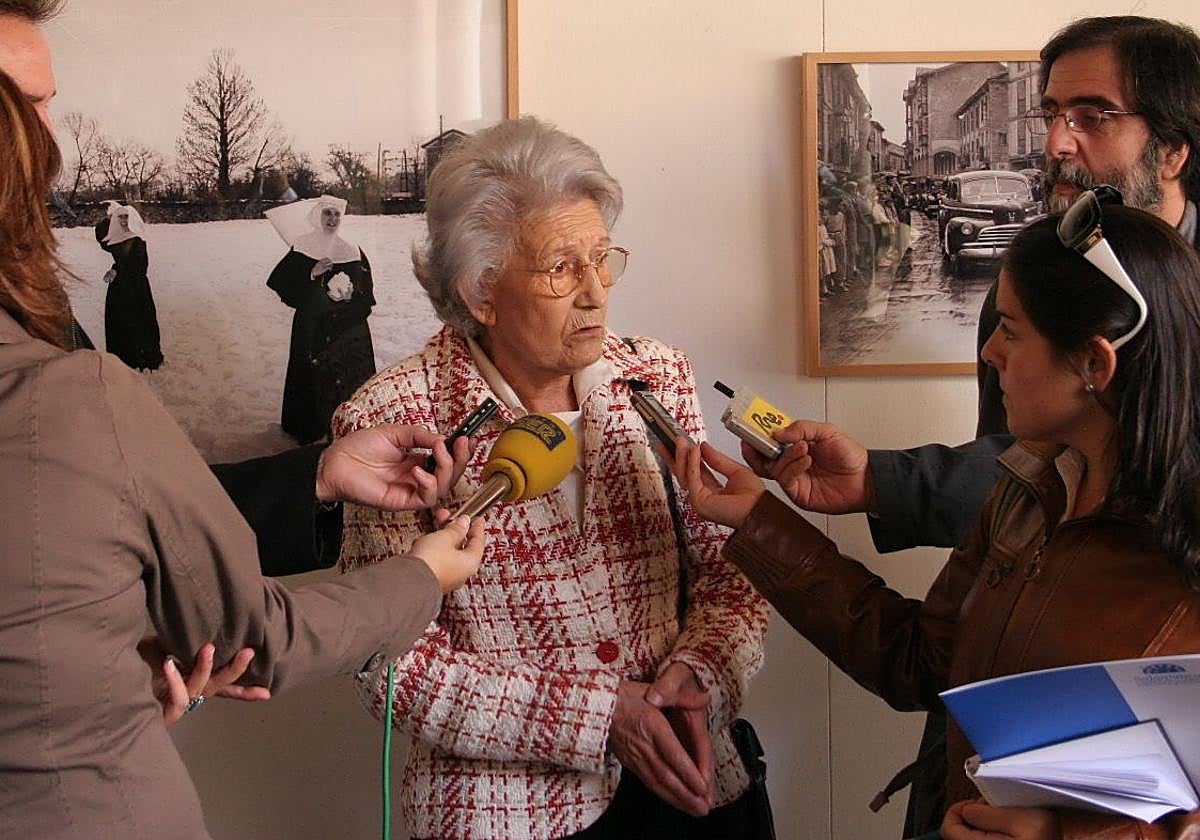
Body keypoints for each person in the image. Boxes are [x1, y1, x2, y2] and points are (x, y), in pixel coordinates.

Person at [0, 67, 487, 838]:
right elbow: (254, 640)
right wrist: (424, 573)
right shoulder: (65, 392)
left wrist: (316, 477)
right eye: (25, 108)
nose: (48, 137)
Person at [672, 198, 1200, 839]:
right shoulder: (1026, 494)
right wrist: (760, 521)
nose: (990, 353)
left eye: (1010, 329)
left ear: (1095, 363)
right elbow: (921, 661)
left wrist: (1068, 836)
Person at [334, 116, 769, 840]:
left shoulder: (655, 376)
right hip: (507, 817)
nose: (597, 293)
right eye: (562, 268)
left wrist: (705, 675)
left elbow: (731, 573)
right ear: (481, 292)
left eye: (603, 259)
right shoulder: (393, 418)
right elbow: (387, 665)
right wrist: (597, 718)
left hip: (693, 783)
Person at [267, 195, 377, 445]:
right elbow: (281, 284)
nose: (333, 219)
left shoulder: (351, 248)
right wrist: (311, 273)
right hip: (312, 324)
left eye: (337, 214)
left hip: (346, 326)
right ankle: (308, 427)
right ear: (318, 216)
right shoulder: (303, 246)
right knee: (310, 375)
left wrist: (351, 296)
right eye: (328, 213)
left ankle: (349, 426)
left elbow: (367, 290)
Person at [95, 200, 163, 371]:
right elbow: (102, 238)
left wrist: (117, 269)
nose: (124, 221)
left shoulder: (138, 241)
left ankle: (145, 358)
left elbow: (139, 267)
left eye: (126, 218)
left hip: (136, 288)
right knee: (120, 324)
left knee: (140, 322)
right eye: (121, 218)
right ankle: (125, 359)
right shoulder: (117, 240)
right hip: (119, 290)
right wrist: (110, 217)